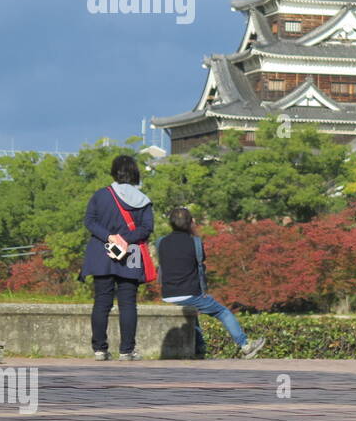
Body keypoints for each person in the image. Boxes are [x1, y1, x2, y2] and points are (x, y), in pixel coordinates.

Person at [156, 207, 266, 359]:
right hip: (190, 294)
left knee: (191, 316)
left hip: (168, 295)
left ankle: (199, 349)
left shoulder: (160, 242)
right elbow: (200, 264)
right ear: (190, 223)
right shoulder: (195, 242)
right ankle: (245, 345)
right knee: (223, 312)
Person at [80, 154, 155, 360]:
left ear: (114, 171)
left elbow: (89, 221)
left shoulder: (100, 195)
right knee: (128, 303)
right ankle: (127, 350)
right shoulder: (143, 200)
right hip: (130, 253)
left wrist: (110, 236)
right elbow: (147, 228)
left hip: (101, 252)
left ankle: (99, 349)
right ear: (134, 172)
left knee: (102, 301)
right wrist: (124, 238)